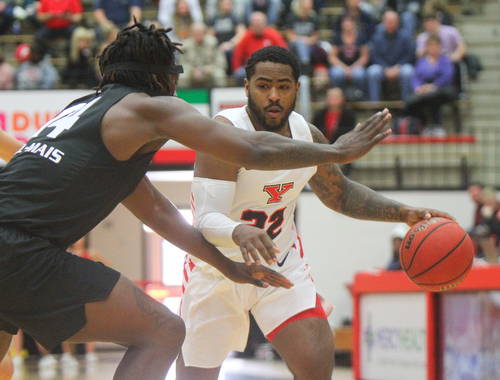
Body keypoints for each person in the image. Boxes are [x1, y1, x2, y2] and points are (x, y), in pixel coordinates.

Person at [0, 22, 395, 380]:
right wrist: (337, 153)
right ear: (162, 76)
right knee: (163, 332)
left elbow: (156, 210)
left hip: (12, 247)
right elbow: (250, 149)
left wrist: (227, 266)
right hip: (19, 250)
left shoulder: (83, 112)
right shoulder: (150, 107)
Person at [175, 45, 453, 380]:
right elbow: (205, 219)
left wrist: (404, 213)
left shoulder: (308, 134)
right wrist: (239, 231)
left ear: (297, 89)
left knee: (316, 360)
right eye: (263, 86)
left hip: (279, 262)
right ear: (247, 88)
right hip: (216, 266)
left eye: (284, 86)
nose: (274, 95)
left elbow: (341, 194)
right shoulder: (223, 133)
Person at [401, 34, 456, 136]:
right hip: (425, 90)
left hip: (442, 88)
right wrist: (418, 88)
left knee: (432, 97)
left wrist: (434, 86)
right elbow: (416, 77)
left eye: (435, 46)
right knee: (413, 101)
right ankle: (424, 125)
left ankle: (437, 126)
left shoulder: (445, 60)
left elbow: (447, 76)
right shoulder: (421, 61)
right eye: (430, 46)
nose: (432, 48)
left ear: (439, 47)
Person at [367, 10, 415, 102]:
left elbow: (410, 55)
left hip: (400, 67)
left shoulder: (405, 37)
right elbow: (374, 56)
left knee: (408, 72)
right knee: (372, 72)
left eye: (393, 22)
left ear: (398, 23)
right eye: (388, 21)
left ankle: (407, 104)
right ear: (383, 23)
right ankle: (374, 105)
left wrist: (398, 67)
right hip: (382, 67)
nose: (390, 24)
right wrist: (385, 68)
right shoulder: (376, 37)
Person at [232, 11, 288, 85]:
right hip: (251, 68)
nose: (257, 26)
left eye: (259, 23)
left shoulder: (273, 35)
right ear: (251, 25)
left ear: (264, 24)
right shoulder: (246, 37)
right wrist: (236, 69)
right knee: (239, 74)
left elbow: (284, 53)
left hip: (271, 67)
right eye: (255, 24)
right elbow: (237, 55)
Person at [312, 87, 357, 176]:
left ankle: (347, 174)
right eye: (330, 96)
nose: (332, 99)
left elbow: (349, 131)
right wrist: (324, 140)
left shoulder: (348, 115)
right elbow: (315, 130)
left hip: (343, 146)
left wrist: (334, 142)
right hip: (323, 146)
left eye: (335, 97)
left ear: (342, 99)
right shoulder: (319, 115)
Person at [328, 13, 369, 101]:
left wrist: (353, 68)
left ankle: (360, 98)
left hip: (357, 66)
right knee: (336, 74)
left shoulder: (361, 37)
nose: (347, 24)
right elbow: (332, 57)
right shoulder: (337, 37)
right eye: (345, 22)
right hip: (341, 66)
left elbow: (364, 57)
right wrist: (345, 68)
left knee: (359, 74)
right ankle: (337, 98)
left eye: (350, 22)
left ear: (354, 24)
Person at [177, 22, 227, 88]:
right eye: (195, 32)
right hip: (192, 71)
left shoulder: (213, 43)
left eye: (200, 32)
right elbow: (182, 64)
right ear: (191, 33)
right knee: (183, 77)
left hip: (209, 70)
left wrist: (210, 68)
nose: (198, 34)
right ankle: (184, 97)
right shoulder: (186, 45)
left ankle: (220, 97)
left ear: (205, 33)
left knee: (219, 75)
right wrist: (193, 70)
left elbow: (221, 62)